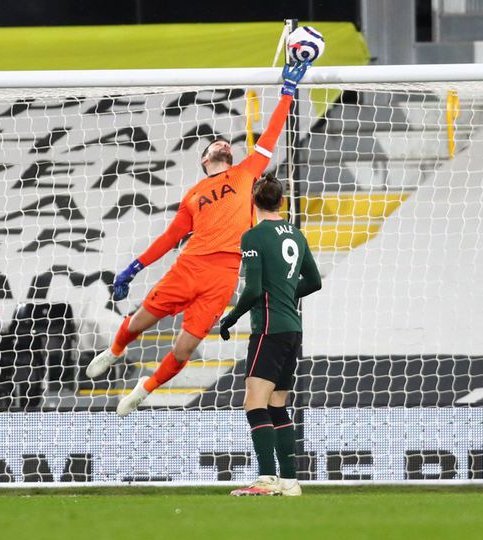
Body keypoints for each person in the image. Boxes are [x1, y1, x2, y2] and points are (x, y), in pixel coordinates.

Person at [85, 60, 312, 417]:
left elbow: (271, 134)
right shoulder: (193, 195)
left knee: (184, 348)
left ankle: (143, 391)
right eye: (213, 145)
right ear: (205, 160)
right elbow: (168, 238)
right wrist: (133, 267)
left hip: (223, 276)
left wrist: (287, 93)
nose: (222, 143)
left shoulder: (245, 173)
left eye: (225, 143)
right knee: (139, 322)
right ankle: (114, 351)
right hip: (189, 266)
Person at [219, 174, 321, 496]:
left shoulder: (253, 237)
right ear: (281, 201)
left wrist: (230, 318)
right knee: (277, 406)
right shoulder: (295, 233)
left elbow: (251, 290)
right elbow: (314, 281)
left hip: (268, 329)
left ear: (254, 200)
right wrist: (287, 294)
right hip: (292, 329)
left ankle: (265, 479)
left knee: (254, 403)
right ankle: (290, 482)